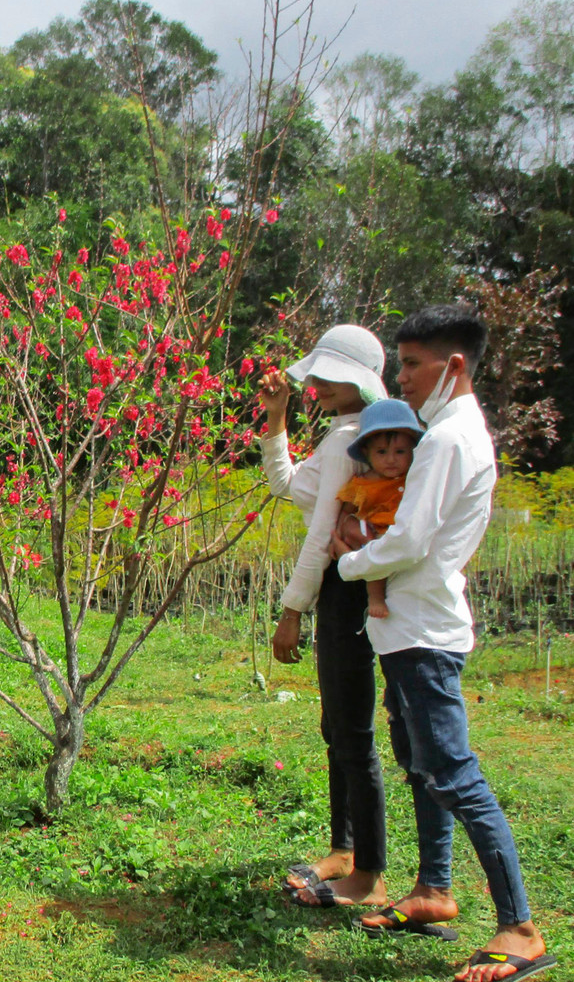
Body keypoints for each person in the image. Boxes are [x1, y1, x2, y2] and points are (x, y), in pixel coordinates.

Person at [334, 306, 555, 982]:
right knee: (422, 766)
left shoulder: (447, 440)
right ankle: (433, 889)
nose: (400, 378)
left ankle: (520, 928)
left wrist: (349, 563)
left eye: (410, 364)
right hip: (409, 628)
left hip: (424, 632)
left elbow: (407, 540)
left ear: (453, 364)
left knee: (454, 775)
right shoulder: (452, 433)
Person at [256, 324, 389, 909]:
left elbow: (319, 537)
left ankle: (367, 868)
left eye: (332, 376)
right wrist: (277, 417)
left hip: (346, 590)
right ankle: (346, 850)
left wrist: (292, 610)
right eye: (318, 375)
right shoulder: (344, 435)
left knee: (351, 731)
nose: (319, 384)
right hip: (345, 589)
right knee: (338, 726)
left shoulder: (351, 438)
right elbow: (287, 485)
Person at [335, 399, 425, 620]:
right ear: (367, 453)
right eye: (382, 452)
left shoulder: (416, 477)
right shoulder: (363, 483)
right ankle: (375, 598)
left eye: (400, 452)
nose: (391, 460)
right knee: (374, 560)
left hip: (408, 536)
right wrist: (341, 532)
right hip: (376, 534)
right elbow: (346, 511)